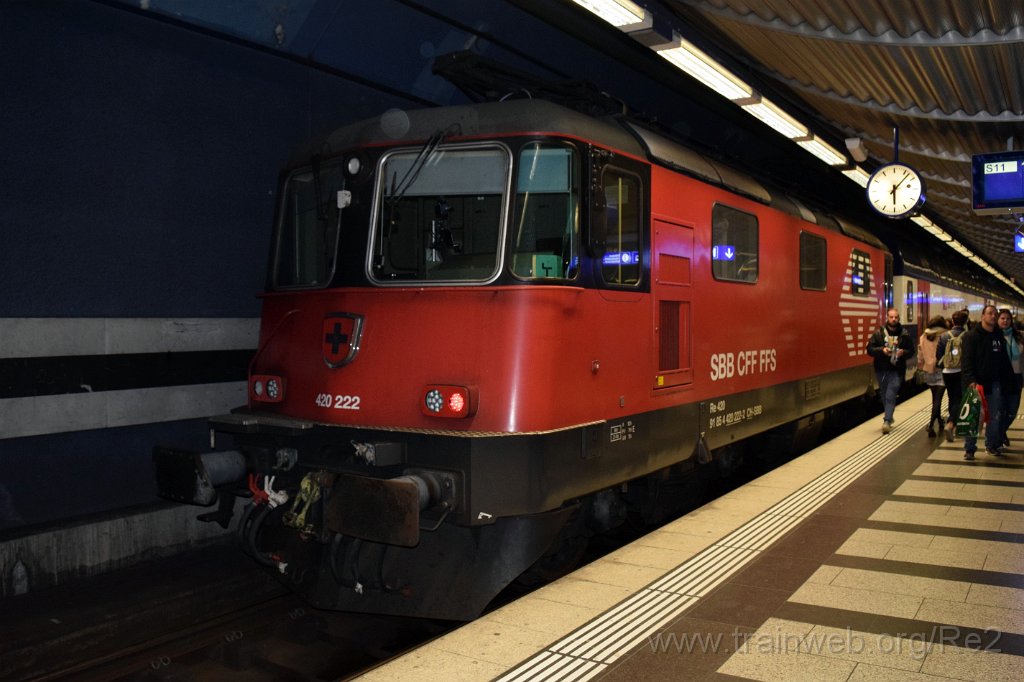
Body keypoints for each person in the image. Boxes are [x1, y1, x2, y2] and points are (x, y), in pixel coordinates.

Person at [960, 304, 1015, 460]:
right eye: (990, 313)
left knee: (994, 416)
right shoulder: (971, 337)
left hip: (994, 383)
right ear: (982, 316)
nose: (993, 316)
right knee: (973, 417)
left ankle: (991, 445)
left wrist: (1008, 380)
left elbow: (1004, 361)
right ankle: (970, 448)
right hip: (976, 384)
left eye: (995, 314)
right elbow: (966, 361)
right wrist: (971, 380)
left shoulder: (998, 337)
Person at [867, 307, 914, 434]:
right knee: (884, 394)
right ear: (887, 318)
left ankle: (887, 420)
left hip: (897, 370)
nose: (894, 319)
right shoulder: (878, 334)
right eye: (891, 317)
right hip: (881, 369)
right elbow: (869, 349)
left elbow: (912, 351)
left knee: (890, 393)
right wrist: (881, 350)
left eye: (896, 317)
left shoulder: (904, 334)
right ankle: (890, 416)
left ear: (899, 318)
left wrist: (903, 352)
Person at [937, 309, 969, 442]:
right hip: (962, 371)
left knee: (952, 397)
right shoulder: (968, 335)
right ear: (965, 322)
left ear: (952, 321)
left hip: (947, 372)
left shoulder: (944, 336)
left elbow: (938, 355)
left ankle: (952, 422)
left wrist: (944, 365)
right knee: (959, 398)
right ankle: (951, 423)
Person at [918, 315, 949, 437]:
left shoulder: (923, 337)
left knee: (934, 398)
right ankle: (931, 425)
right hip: (942, 369)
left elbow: (920, 354)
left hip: (928, 370)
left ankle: (940, 420)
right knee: (938, 399)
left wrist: (920, 365)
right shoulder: (945, 335)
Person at [997, 308, 1023, 448]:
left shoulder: (1019, 337)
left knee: (1012, 411)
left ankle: (1000, 433)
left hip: (1017, 377)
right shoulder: (993, 336)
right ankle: (999, 436)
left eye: (1007, 319)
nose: (1005, 321)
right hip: (999, 378)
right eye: (1002, 318)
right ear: (998, 320)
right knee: (1000, 410)